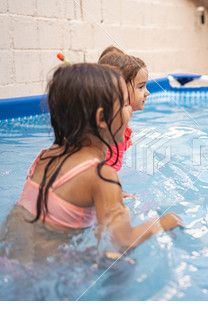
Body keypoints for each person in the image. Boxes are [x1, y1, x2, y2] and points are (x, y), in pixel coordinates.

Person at [0, 63, 181, 262]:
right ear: (102, 118)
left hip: (9, 253)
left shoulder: (46, 155)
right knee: (122, 264)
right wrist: (162, 223)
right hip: (48, 270)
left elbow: (58, 202)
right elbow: (122, 240)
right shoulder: (102, 176)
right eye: (124, 104)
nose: (130, 109)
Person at [98, 46, 150, 171]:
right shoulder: (109, 136)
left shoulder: (120, 127)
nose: (147, 92)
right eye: (141, 87)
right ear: (120, 89)